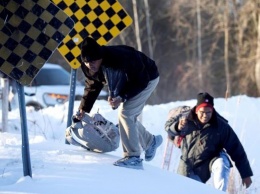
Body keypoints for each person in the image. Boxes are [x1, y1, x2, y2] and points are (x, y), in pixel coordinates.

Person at [76, 37, 163, 169]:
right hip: (128, 82)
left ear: (101, 57)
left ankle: (133, 157)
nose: (90, 65)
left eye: (93, 61)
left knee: (126, 113)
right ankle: (150, 142)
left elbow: (141, 80)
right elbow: (92, 86)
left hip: (147, 78)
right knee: (127, 116)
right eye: (86, 62)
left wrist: (122, 97)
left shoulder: (121, 57)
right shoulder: (88, 66)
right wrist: (83, 108)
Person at [165, 92, 253, 192]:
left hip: (209, 162)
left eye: (208, 112)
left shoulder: (220, 126)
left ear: (212, 110)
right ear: (197, 110)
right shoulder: (186, 118)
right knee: (186, 190)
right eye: (202, 112)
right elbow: (168, 127)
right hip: (187, 165)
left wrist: (246, 174)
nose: (205, 116)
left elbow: (236, 149)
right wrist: (178, 126)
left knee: (222, 163)